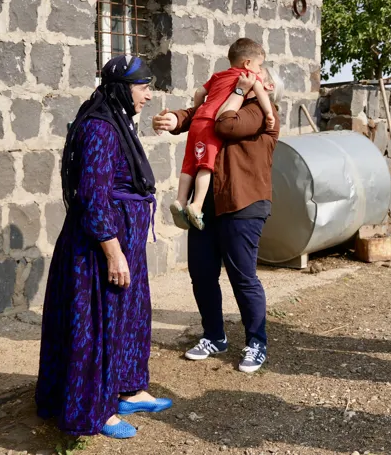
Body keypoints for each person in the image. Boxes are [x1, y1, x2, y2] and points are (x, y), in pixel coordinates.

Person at [36, 55, 173, 440]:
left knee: (131, 317)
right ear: (121, 89)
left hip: (125, 242)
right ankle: (96, 409)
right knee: (99, 326)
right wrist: (113, 253)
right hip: (98, 249)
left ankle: (129, 389)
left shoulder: (118, 122)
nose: (148, 96)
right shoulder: (99, 129)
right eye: (143, 88)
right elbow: (93, 198)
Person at [152, 61, 282, 373]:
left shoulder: (262, 112)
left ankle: (256, 342)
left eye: (253, 76)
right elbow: (201, 114)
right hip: (207, 204)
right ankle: (214, 336)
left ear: (267, 86)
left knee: (242, 276)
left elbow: (224, 125)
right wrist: (176, 118)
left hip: (243, 203)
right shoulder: (226, 100)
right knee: (201, 272)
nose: (244, 78)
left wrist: (238, 92)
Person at [172, 38, 275, 231]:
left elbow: (199, 92)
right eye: (259, 65)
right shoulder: (248, 77)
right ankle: (197, 204)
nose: (258, 69)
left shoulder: (218, 75)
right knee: (205, 165)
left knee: (189, 163)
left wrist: (197, 110)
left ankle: (180, 200)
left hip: (197, 121)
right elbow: (260, 94)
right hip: (211, 123)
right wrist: (269, 113)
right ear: (247, 63)